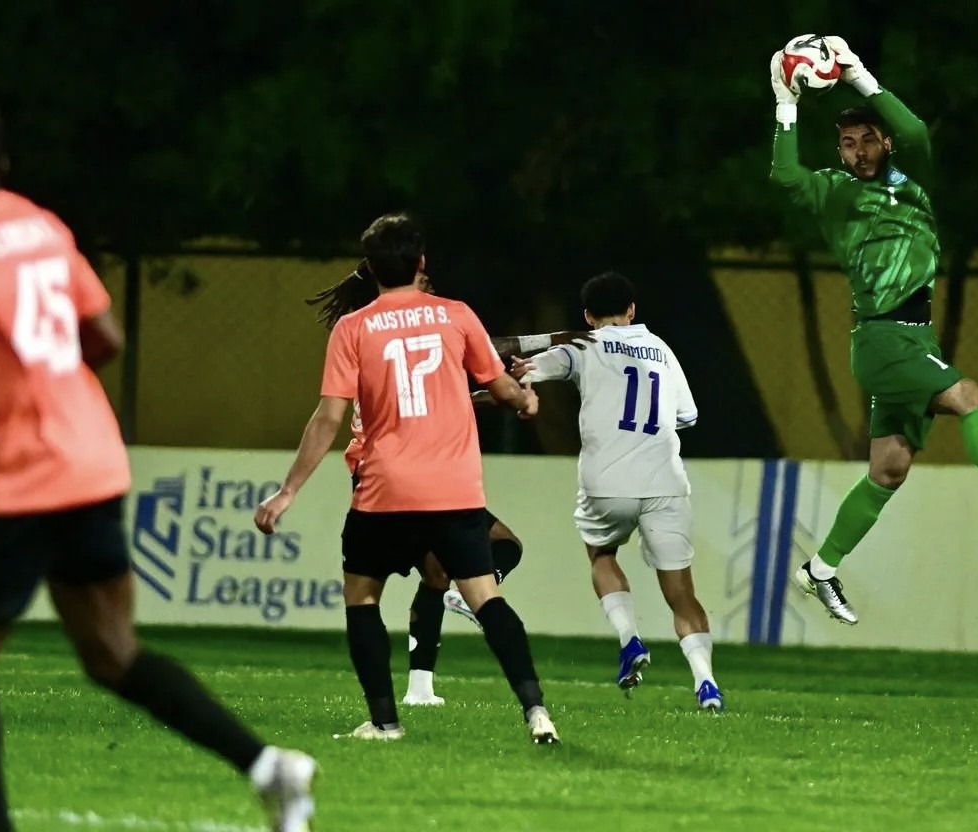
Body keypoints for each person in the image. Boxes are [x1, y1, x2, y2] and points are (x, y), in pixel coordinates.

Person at [0, 88, 315, 832]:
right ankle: (271, 769)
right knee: (111, 653)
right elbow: (106, 337)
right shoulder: (43, 226)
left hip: (21, 480)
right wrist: (53, 383)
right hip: (93, 465)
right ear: (2, 160)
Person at [767, 37, 978, 626]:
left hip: (916, 338)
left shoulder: (911, 177)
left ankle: (820, 569)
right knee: (972, 399)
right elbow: (785, 172)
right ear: (837, 151)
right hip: (883, 339)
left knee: (889, 469)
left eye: (868, 138)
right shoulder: (834, 193)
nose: (859, 150)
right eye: (847, 142)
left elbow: (915, 131)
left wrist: (858, 74)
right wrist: (785, 101)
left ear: (884, 142)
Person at [255, 213, 558, 744]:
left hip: (385, 490)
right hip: (454, 489)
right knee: (487, 597)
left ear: (369, 268)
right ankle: (535, 709)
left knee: (362, 597)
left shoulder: (353, 328)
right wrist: (527, 400)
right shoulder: (457, 316)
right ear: (421, 264)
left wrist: (288, 490)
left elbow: (329, 417)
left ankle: (384, 721)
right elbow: (503, 389)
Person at [305, 263, 588, 706]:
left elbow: (453, 382)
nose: (430, 286)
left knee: (466, 562)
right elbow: (489, 351)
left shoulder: (373, 333)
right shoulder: (390, 333)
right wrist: (552, 341)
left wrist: (489, 394)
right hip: (389, 478)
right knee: (413, 581)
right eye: (424, 280)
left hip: (410, 476)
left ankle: (416, 690)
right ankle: (418, 691)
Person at [515, 272, 722, 710]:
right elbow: (688, 415)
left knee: (602, 555)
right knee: (681, 593)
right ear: (632, 309)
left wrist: (521, 367)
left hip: (607, 483)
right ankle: (706, 684)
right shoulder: (662, 350)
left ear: (588, 315)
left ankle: (629, 638)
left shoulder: (583, 346)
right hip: (664, 482)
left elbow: (533, 370)